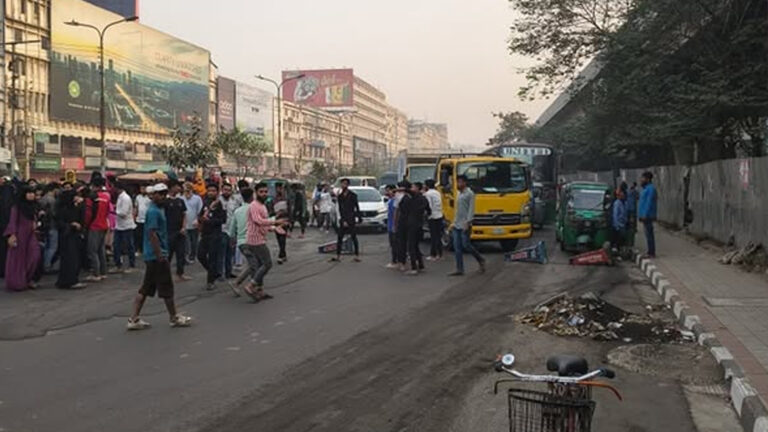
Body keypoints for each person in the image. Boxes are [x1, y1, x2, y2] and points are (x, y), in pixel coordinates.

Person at [126, 183, 193, 330]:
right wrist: (159, 254)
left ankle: (134, 318)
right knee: (166, 287)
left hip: (154, 255)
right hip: (156, 255)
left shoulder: (159, 209)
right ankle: (173, 317)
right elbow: (152, 234)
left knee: (146, 288)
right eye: (159, 194)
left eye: (164, 193)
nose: (162, 196)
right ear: (153, 195)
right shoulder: (154, 212)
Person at [239, 182, 283, 302]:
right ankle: (251, 285)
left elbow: (263, 224)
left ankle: (259, 290)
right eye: (261, 192)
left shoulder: (262, 206)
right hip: (255, 240)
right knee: (267, 264)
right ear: (256, 192)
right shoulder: (254, 205)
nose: (264, 194)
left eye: (265, 192)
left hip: (259, 238)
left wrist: (274, 228)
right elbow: (258, 221)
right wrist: (274, 222)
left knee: (259, 266)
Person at [3, 186, 41, 291]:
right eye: (28, 193)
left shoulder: (34, 206)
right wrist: (12, 234)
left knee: (34, 255)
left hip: (31, 234)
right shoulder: (17, 207)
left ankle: (27, 278)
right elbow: (13, 221)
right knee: (18, 259)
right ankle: (18, 282)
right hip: (19, 234)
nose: (31, 195)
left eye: (32, 193)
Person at [449, 175, 486, 276]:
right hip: (457, 224)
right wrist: (453, 222)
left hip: (465, 224)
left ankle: (480, 259)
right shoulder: (458, 194)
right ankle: (459, 269)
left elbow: (471, 209)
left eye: (460, 182)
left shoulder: (470, 194)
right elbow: (458, 210)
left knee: (466, 245)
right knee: (457, 247)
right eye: (458, 182)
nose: (458, 184)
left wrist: (468, 222)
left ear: (465, 183)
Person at [55, 188, 86, 290]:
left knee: (71, 259)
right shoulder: (64, 209)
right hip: (68, 236)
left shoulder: (74, 207)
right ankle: (71, 280)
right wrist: (71, 225)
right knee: (71, 259)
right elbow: (59, 223)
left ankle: (66, 280)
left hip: (71, 235)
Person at [198, 183, 226, 290]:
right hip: (205, 234)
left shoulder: (220, 204)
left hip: (215, 234)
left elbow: (223, 220)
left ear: (217, 192)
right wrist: (201, 220)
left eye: (213, 191)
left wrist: (210, 221)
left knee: (212, 258)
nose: (211, 193)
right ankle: (214, 272)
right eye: (209, 190)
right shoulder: (205, 203)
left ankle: (210, 281)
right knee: (200, 255)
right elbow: (200, 216)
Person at [85, 177, 110, 282]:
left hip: (94, 226)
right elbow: (108, 211)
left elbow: (88, 214)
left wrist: (85, 225)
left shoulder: (91, 197)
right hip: (104, 224)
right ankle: (103, 272)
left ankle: (96, 274)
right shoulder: (106, 196)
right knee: (101, 250)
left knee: (92, 251)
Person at [331, 178, 361, 262]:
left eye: (345, 184)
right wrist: (343, 220)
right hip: (343, 219)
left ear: (348, 185)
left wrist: (359, 217)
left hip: (351, 218)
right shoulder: (340, 196)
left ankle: (357, 255)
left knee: (354, 237)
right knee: (340, 237)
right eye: (342, 184)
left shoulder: (353, 195)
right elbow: (341, 209)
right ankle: (338, 256)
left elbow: (356, 207)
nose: (343, 185)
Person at [403, 182, 430, 275]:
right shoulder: (424, 199)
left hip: (412, 224)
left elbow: (407, 191)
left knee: (411, 246)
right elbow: (428, 211)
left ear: (418, 188)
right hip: (419, 224)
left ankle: (414, 268)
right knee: (415, 245)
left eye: (413, 187)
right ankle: (421, 265)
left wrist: (399, 189)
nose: (411, 188)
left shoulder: (415, 197)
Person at [166, 181, 190, 282]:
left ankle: (180, 273)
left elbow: (184, 215)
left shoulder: (180, 201)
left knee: (181, 254)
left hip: (180, 232)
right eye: (177, 187)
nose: (179, 188)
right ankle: (165, 275)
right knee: (168, 255)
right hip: (169, 231)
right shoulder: (165, 201)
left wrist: (184, 227)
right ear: (171, 188)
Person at [113, 183, 137, 272]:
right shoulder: (120, 197)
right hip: (119, 225)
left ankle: (132, 264)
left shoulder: (125, 198)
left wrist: (115, 211)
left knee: (129, 245)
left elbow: (123, 213)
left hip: (126, 225)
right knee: (116, 246)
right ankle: (118, 264)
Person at [219, 183, 240, 278]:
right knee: (221, 253)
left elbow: (236, 216)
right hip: (221, 230)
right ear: (222, 190)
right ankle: (220, 273)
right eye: (225, 190)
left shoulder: (234, 202)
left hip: (231, 231)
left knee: (230, 253)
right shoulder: (218, 201)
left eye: (229, 190)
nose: (227, 192)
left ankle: (228, 272)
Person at [39, 182, 60, 272]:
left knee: (47, 246)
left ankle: (43, 264)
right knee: (53, 247)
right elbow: (55, 214)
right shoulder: (52, 200)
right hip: (53, 225)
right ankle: (46, 265)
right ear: (54, 189)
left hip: (45, 226)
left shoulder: (42, 199)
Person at [638, 172, 658, 258]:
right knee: (647, 234)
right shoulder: (645, 189)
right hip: (644, 215)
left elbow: (649, 203)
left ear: (648, 179)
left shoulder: (651, 189)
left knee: (649, 234)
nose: (641, 180)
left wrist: (645, 214)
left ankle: (651, 252)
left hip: (648, 215)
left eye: (643, 178)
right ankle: (650, 251)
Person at [182, 182, 203, 264]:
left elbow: (200, 210)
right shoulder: (181, 198)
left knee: (194, 241)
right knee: (186, 242)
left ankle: (193, 256)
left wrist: (198, 220)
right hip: (184, 224)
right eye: (185, 190)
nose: (187, 192)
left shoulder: (197, 199)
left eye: (188, 190)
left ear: (191, 190)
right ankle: (186, 257)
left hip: (194, 223)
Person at [424, 179, 444, 261]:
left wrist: (427, 214)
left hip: (432, 216)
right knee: (438, 236)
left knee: (433, 236)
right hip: (439, 215)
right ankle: (440, 254)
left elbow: (429, 206)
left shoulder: (428, 194)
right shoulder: (437, 192)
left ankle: (433, 254)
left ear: (427, 185)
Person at [394, 181, 411, 271]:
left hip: (404, 221)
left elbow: (397, 211)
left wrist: (395, 223)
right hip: (410, 221)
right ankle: (405, 262)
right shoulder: (411, 196)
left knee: (402, 243)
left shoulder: (400, 196)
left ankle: (402, 263)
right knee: (407, 243)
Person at [384, 185, 399, 269]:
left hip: (393, 226)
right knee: (392, 244)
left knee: (394, 244)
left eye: (388, 190)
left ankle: (395, 261)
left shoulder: (394, 201)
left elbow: (395, 214)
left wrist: (394, 225)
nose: (386, 192)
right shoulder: (390, 200)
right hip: (390, 225)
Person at [134, 185, 151, 254]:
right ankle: (139, 249)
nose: (142, 190)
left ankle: (145, 249)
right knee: (138, 235)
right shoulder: (138, 197)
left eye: (144, 188)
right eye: (141, 189)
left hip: (146, 219)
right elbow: (136, 207)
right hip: (139, 219)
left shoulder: (149, 198)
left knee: (146, 235)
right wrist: (134, 216)